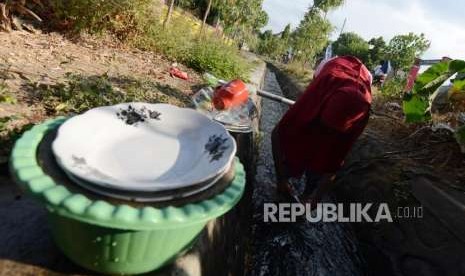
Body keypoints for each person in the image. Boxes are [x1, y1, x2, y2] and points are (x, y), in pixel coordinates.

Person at [271, 56, 372, 207]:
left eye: (333, 131)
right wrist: (281, 180)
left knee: (323, 159)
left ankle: (306, 194)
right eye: (327, 127)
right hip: (328, 78)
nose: (327, 133)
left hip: (357, 88)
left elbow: (334, 163)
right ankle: (286, 180)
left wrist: (315, 200)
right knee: (298, 140)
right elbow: (277, 134)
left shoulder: (360, 115)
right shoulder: (319, 88)